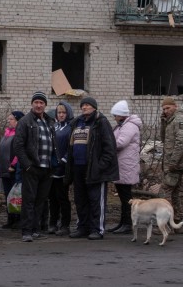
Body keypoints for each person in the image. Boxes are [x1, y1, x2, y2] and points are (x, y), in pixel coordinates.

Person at [65, 97, 118, 240]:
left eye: (87, 105)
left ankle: (97, 229)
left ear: (94, 107)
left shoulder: (101, 122)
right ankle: (83, 227)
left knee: (96, 200)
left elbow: (110, 148)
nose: (84, 107)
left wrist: (100, 166)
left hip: (94, 170)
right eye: (83, 105)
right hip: (78, 168)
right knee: (80, 199)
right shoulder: (76, 122)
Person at [13, 91, 56, 242]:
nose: (38, 105)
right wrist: (27, 165)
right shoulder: (25, 121)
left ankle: (36, 229)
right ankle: (26, 231)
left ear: (45, 105)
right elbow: (18, 146)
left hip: (47, 168)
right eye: (36, 102)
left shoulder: (49, 121)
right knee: (29, 200)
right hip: (32, 167)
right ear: (32, 104)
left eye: (41, 103)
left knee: (41, 201)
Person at [107, 100, 141, 235]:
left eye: (115, 115)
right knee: (123, 196)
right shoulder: (123, 126)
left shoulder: (129, 126)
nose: (114, 118)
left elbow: (120, 143)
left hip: (126, 166)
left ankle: (128, 223)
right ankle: (123, 222)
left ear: (121, 115)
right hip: (122, 165)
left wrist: (107, 146)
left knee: (126, 197)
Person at [160, 96, 183, 225]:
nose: (166, 110)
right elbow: (163, 139)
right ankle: (177, 220)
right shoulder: (169, 120)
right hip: (173, 163)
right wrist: (163, 121)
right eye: (163, 109)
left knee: (165, 191)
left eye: (168, 108)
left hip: (176, 164)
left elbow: (181, 142)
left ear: (175, 106)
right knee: (175, 193)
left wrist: (173, 162)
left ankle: (166, 223)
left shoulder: (179, 120)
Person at [48, 101, 73, 236]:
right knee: (52, 198)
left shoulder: (70, 128)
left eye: (63, 112)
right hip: (51, 167)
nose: (61, 115)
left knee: (62, 197)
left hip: (62, 168)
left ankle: (65, 224)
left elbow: (71, 147)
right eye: (59, 112)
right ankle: (52, 222)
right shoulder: (54, 127)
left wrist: (64, 160)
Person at [0, 110, 23, 229]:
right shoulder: (7, 133)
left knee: (15, 195)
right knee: (7, 195)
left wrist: (13, 165)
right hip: (4, 170)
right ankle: (10, 219)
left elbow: (18, 152)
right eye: (9, 119)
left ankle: (18, 219)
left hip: (13, 169)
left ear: (18, 121)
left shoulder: (19, 134)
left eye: (12, 119)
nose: (9, 121)